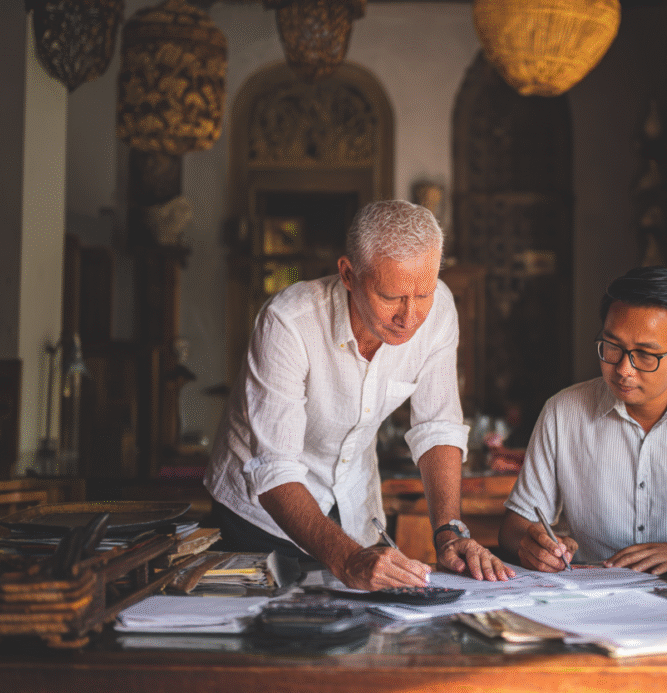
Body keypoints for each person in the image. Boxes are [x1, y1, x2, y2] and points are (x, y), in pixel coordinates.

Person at [205, 199, 514, 589]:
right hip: (261, 515)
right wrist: (347, 558)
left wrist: (450, 532)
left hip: (354, 505)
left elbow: (438, 426)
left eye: (424, 294)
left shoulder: (439, 312)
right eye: (390, 297)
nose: (410, 317)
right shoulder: (289, 323)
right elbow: (275, 469)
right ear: (348, 274)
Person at [499, 266, 667, 574]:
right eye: (612, 347)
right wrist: (533, 544)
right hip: (592, 598)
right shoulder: (563, 412)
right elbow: (515, 526)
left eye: (645, 354)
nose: (623, 369)